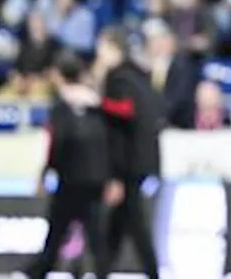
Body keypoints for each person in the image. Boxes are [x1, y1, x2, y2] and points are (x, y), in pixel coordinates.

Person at [25, 53, 115, 279]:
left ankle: (37, 273)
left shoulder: (62, 105)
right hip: (95, 179)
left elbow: (58, 142)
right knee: (96, 239)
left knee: (55, 236)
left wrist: (46, 172)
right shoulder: (96, 102)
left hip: (71, 179)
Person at [95, 28, 162, 279]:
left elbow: (123, 114)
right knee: (119, 225)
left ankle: (153, 273)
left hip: (128, 163)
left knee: (134, 224)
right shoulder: (140, 76)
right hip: (143, 159)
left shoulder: (117, 78)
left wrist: (97, 104)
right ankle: (102, 271)